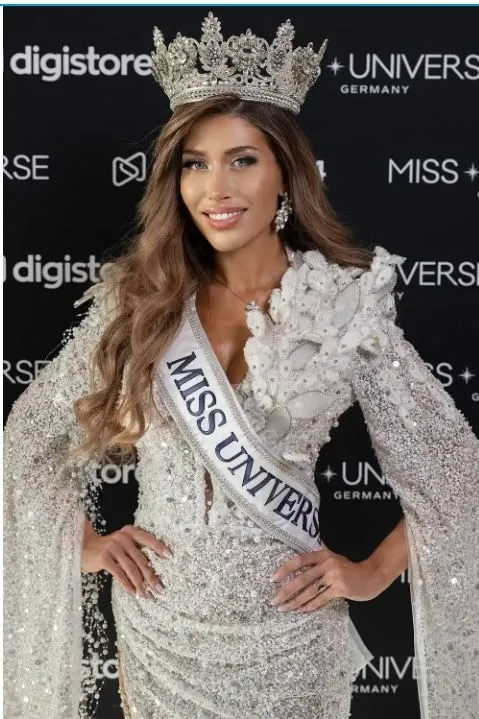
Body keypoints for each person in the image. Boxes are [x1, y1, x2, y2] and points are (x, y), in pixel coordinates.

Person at [3, 12, 478, 719]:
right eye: (195, 163)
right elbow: (26, 445)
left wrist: (373, 572)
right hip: (160, 633)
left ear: (286, 173)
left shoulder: (340, 307)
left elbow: (456, 474)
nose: (215, 188)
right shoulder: (139, 303)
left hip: (291, 641)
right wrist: (87, 546)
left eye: (242, 160)